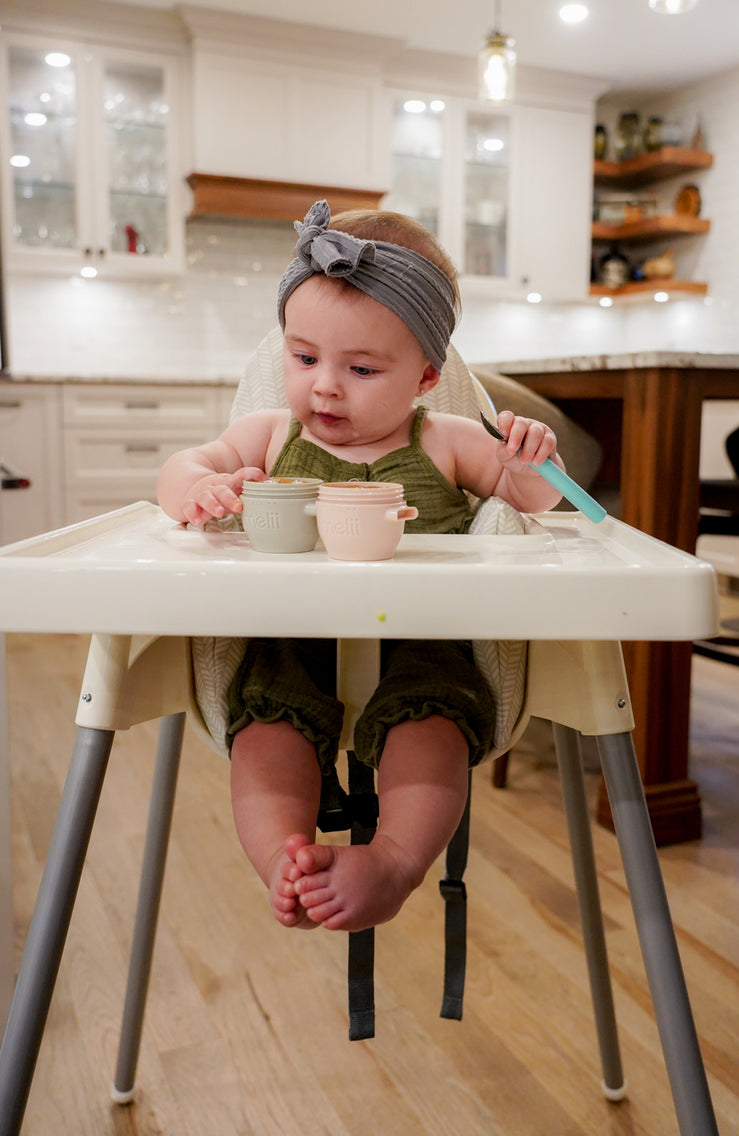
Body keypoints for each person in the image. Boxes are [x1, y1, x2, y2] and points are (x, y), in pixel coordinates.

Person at [157, 200, 565, 935]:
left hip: (426, 642)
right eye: (304, 357)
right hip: (291, 637)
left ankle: (397, 862)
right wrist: (198, 486)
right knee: (264, 731)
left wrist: (532, 457)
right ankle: (284, 860)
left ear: (425, 376)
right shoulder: (267, 435)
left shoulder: (446, 440)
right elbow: (188, 463)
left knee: (433, 726)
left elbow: (531, 503)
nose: (325, 387)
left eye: (363, 368)